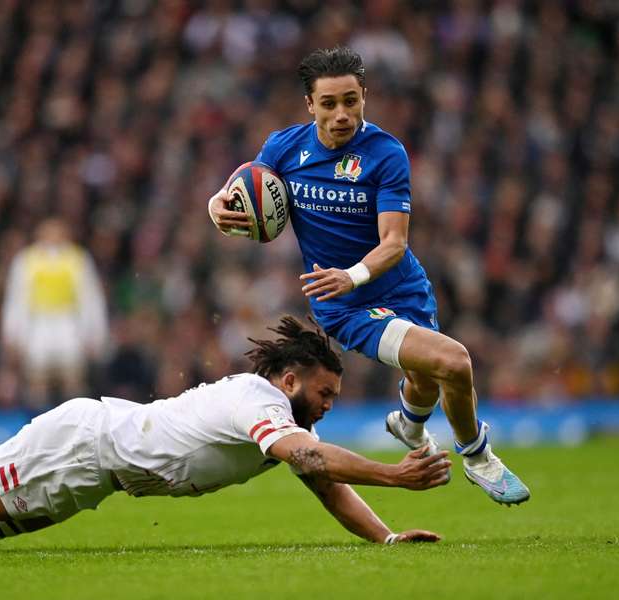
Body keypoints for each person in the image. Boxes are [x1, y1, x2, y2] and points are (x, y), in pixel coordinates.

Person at [0, 316, 450, 545]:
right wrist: (397, 474)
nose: (328, 407)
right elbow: (313, 457)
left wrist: (386, 538)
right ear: (293, 381)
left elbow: (323, 481)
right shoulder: (260, 404)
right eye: (325, 394)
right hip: (83, 446)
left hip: (98, 470)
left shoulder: (280, 422)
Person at [207, 47, 529, 505]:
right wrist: (215, 204)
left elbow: (394, 242)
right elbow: (240, 189)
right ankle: (477, 456)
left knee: (426, 378)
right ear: (310, 105)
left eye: (351, 101)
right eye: (330, 103)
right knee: (453, 362)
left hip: (399, 285)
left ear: (364, 97)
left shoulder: (385, 153)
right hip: (345, 305)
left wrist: (353, 273)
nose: (342, 114)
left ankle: (408, 423)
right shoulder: (283, 148)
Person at [1, 217, 108, 409]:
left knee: (72, 376)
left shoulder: (77, 259)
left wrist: (95, 334)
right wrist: (12, 334)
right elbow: (16, 299)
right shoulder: (27, 260)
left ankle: (77, 421)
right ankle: (38, 420)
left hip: (69, 323)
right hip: (38, 324)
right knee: (36, 378)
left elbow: (90, 298)